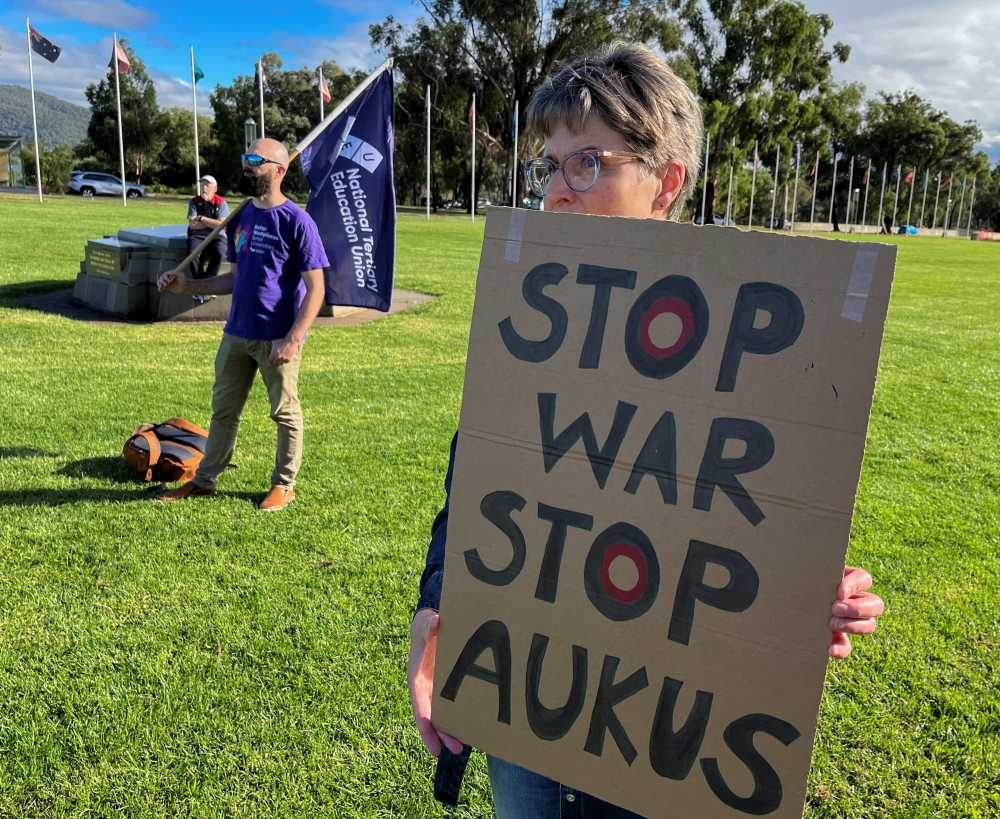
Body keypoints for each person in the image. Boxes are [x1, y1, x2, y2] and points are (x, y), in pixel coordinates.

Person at [408, 42, 886, 818]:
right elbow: (474, 494)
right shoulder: (534, 328)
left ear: (666, 182)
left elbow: (746, 530)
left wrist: (804, 593)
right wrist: (436, 603)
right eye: (548, 166)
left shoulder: (757, 354)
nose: (556, 192)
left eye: (587, 162)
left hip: (663, 734)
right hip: (531, 706)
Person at [154, 138, 329, 512]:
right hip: (236, 332)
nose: (246, 166)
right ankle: (205, 481)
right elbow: (235, 278)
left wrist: (292, 338)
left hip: (276, 338)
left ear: (279, 170)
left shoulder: (298, 222)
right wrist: (189, 286)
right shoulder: (242, 215)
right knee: (223, 412)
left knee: (284, 413)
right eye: (244, 157)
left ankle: (284, 485)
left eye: (255, 160)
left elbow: (317, 289)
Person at [187, 175, 230, 279]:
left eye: (207, 185)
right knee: (192, 253)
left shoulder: (221, 203)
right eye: (202, 185)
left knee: (220, 251)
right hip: (198, 235)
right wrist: (214, 223)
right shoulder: (194, 202)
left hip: (218, 235)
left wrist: (201, 218)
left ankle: (210, 280)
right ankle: (199, 282)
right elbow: (193, 225)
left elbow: (221, 225)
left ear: (215, 189)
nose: (204, 188)